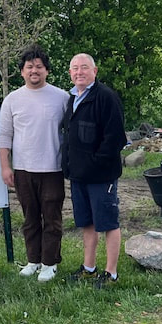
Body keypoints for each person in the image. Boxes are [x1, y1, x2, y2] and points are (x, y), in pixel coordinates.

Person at [0, 45, 69, 282]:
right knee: (30, 219)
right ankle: (33, 260)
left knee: (52, 218)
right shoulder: (12, 99)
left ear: (47, 70)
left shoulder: (62, 97)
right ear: (22, 72)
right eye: (29, 67)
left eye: (39, 66)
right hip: (23, 169)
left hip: (52, 168)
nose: (34, 71)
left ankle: (50, 263)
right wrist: (5, 166)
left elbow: (71, 132)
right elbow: (4, 135)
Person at [62, 53, 127, 288]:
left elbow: (115, 138)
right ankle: (89, 268)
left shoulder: (106, 97)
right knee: (86, 222)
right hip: (78, 175)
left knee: (108, 223)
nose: (79, 72)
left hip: (101, 176)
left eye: (84, 67)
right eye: (75, 68)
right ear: (70, 73)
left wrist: (97, 163)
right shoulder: (72, 98)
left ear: (95, 71)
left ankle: (111, 274)